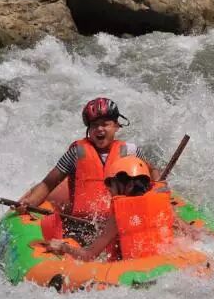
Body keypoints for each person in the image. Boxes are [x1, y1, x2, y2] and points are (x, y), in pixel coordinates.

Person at [17, 97, 159, 243]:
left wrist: (158, 190)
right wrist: (31, 202)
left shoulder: (131, 151)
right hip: (81, 228)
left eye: (105, 124)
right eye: (94, 125)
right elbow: (48, 183)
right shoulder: (76, 153)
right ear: (89, 129)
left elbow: (152, 172)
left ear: (116, 126)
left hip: (121, 226)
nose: (100, 129)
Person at [45, 157, 214, 260]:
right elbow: (191, 233)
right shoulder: (161, 203)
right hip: (176, 261)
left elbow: (88, 255)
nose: (109, 190)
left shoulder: (119, 214)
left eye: (110, 185)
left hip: (140, 273)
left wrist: (63, 247)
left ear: (125, 186)